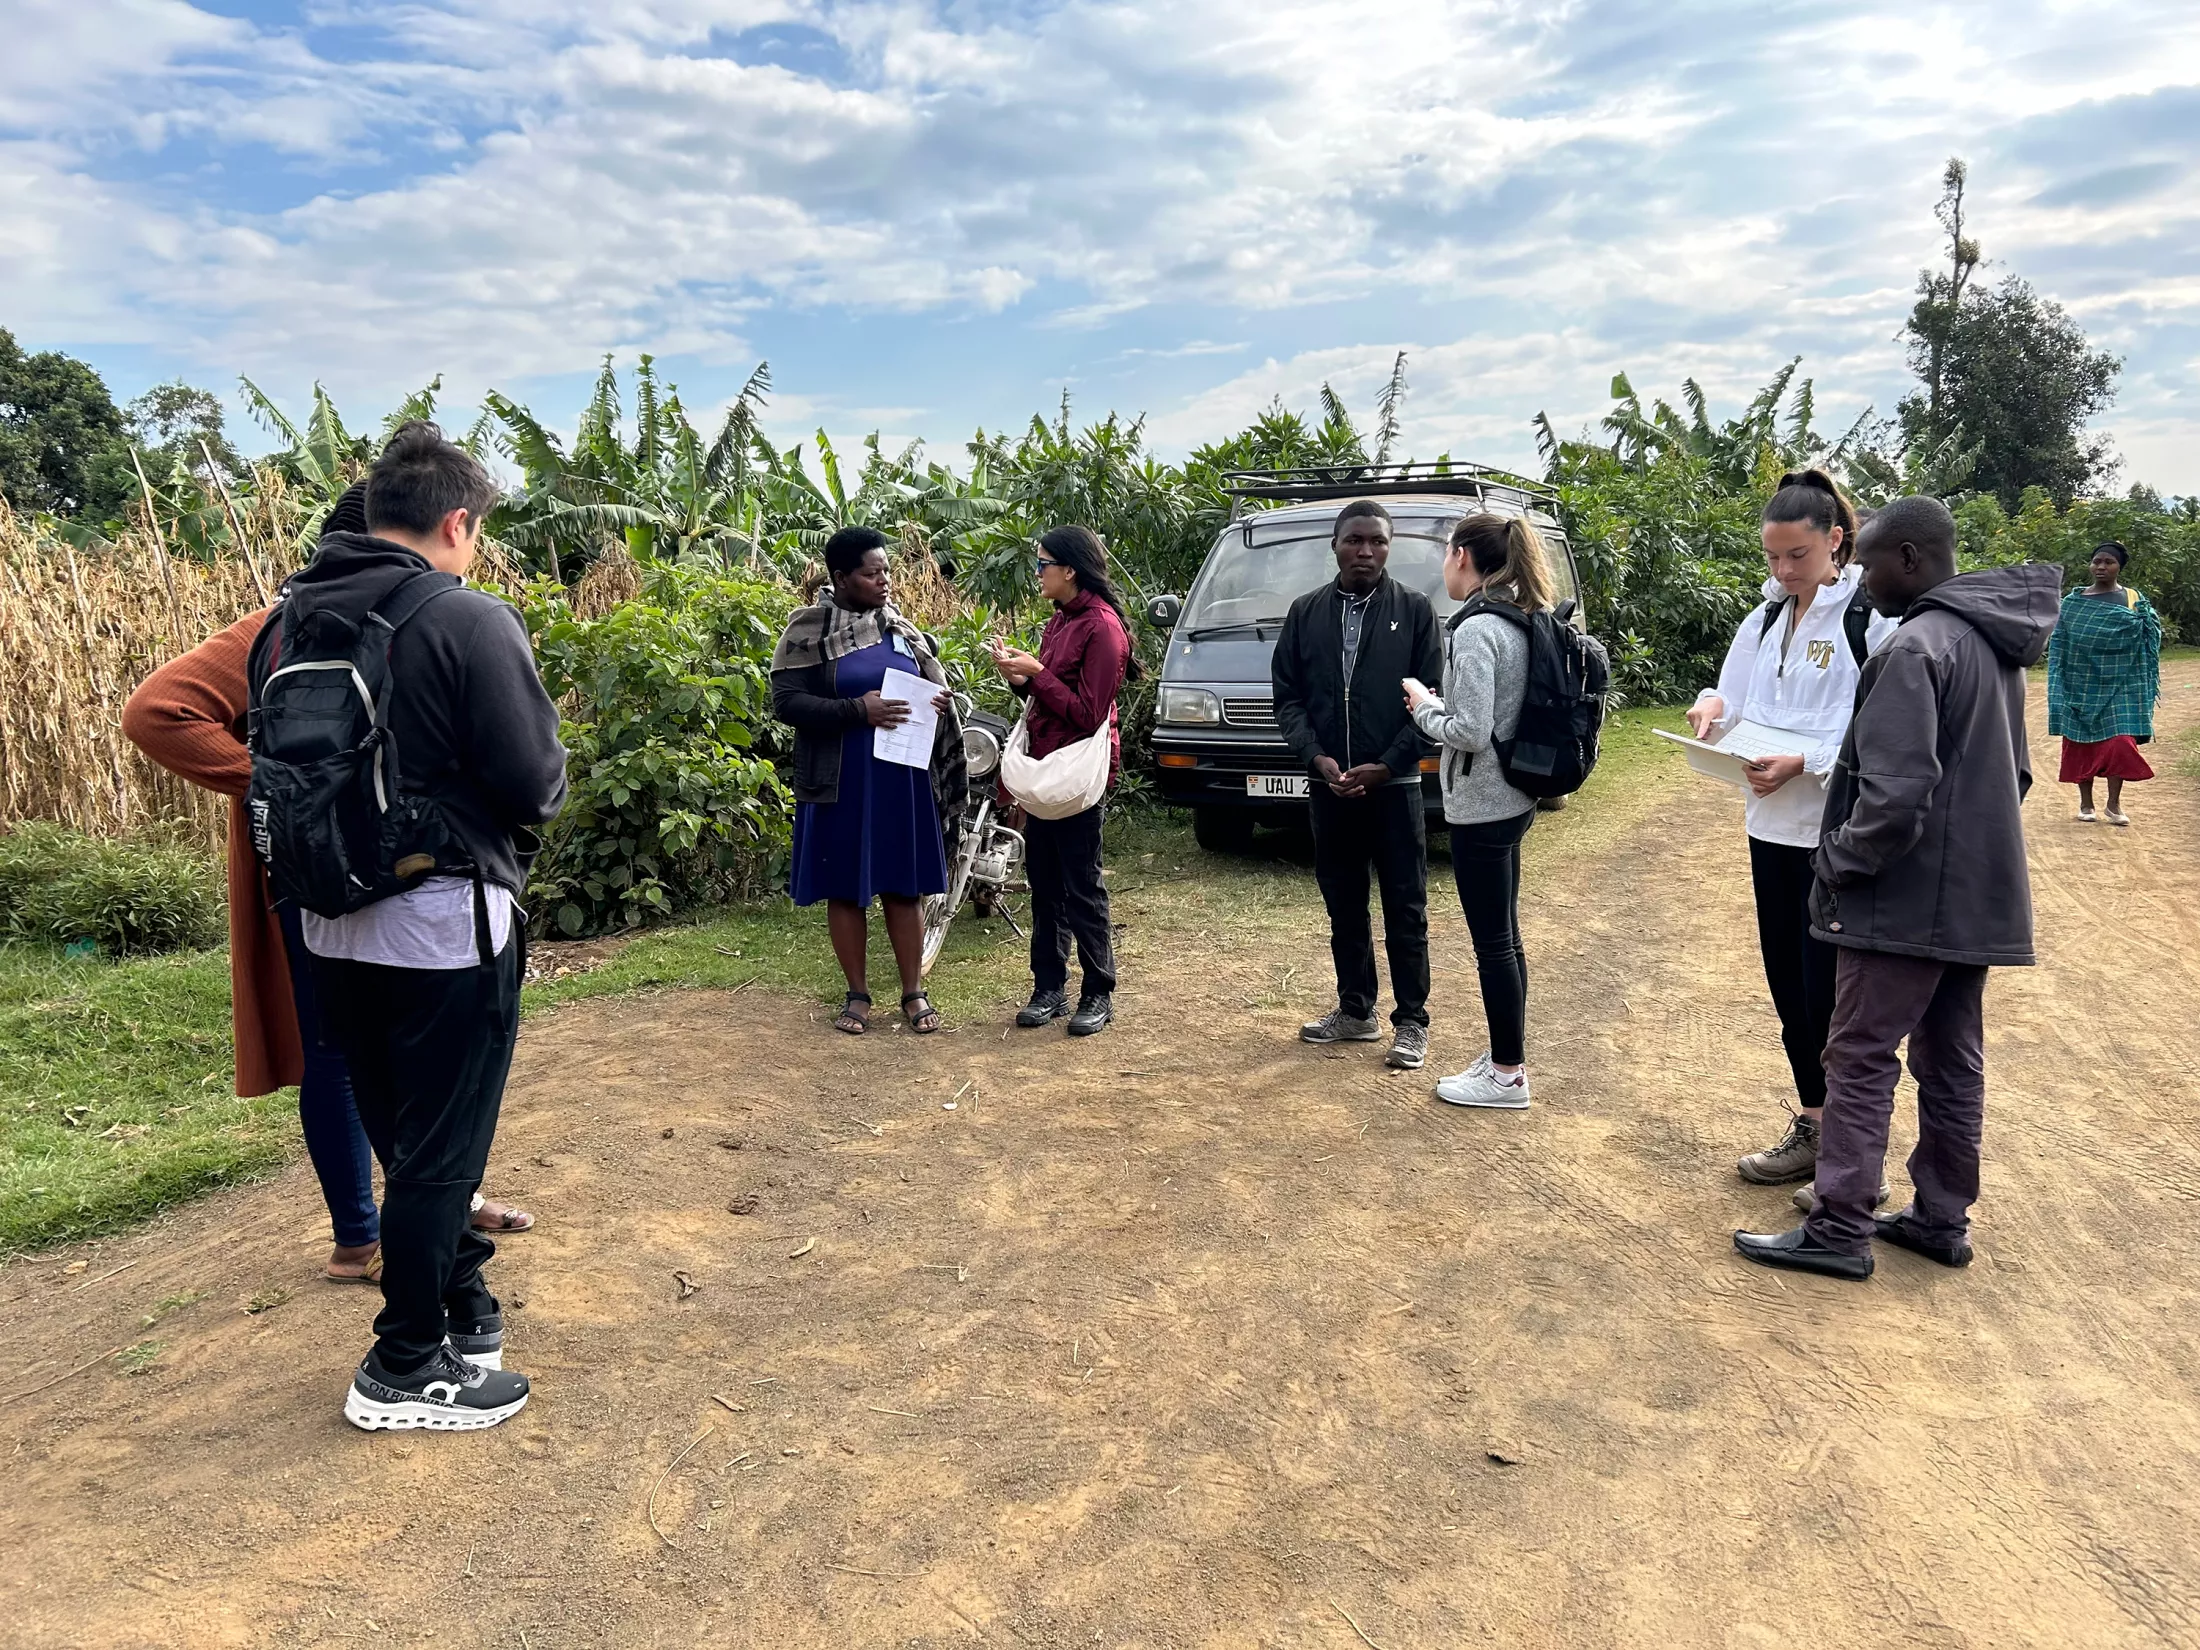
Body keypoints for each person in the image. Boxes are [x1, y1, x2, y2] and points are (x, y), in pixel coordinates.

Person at [121, 482, 534, 1291]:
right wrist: (284, 784)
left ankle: (437, 1207)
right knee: (342, 1056)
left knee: (392, 1055)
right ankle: (362, 1235)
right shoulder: (284, 631)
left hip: (382, 877)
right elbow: (155, 711)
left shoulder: (387, 628)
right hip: (316, 872)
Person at [273, 423, 567, 1429]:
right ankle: (402, 1366)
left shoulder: (290, 621)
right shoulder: (464, 618)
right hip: (445, 923)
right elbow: (532, 783)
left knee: (409, 1140)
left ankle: (461, 1308)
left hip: (330, 921)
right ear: (455, 523)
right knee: (443, 1152)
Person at [1734, 497, 2058, 1281]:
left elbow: (1895, 794)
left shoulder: (1913, 649)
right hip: (1975, 897)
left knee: (1859, 1054)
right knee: (1951, 1062)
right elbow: (2011, 774)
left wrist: (1836, 861)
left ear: (1909, 559)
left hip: (1904, 905)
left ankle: (1839, 1225)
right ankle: (1941, 1218)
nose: (1862, 580)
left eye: (1870, 562)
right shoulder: (1991, 645)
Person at [1685, 470, 1897, 1200]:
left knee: (1832, 993)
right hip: (1768, 825)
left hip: (1834, 830)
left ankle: (1852, 1155)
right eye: (1772, 558)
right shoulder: (1765, 618)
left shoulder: (1869, 618)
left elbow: (1878, 726)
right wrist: (1710, 711)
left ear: (1836, 541)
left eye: (1797, 556)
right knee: (1786, 985)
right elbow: (1732, 695)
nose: (1782, 571)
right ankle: (1814, 1125)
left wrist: (1805, 759)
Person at [771, 526, 967, 1034]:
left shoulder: (898, 628)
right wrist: (859, 709)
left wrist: (934, 699)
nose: (884, 580)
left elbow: (925, 682)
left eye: (886, 570)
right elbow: (786, 703)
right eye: (871, 572)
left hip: (899, 778)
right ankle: (857, 996)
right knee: (845, 888)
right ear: (840, 577)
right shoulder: (807, 630)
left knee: (904, 887)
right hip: (840, 781)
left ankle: (913, 994)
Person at [1272, 499, 1443, 1071]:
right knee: (1344, 903)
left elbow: (1431, 702)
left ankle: (1412, 1022)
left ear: (1389, 548)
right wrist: (1316, 757)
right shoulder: (1306, 613)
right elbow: (1289, 698)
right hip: (1330, 788)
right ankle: (1355, 1011)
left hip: (1392, 789)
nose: (1365, 551)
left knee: (1404, 905)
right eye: (1354, 540)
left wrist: (1388, 765)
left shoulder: (1415, 612)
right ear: (1335, 545)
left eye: (1376, 541)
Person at [1403, 513, 1554, 1107]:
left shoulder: (1473, 630)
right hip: (1513, 796)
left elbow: (1468, 731)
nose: (1444, 564)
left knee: (1493, 943)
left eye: (1446, 552)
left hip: (1481, 806)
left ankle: (1507, 1073)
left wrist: (1420, 704)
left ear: (1462, 556)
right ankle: (1505, 1058)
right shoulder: (1518, 617)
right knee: (1507, 938)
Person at [989, 525, 1134, 1037]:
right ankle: (1048, 987)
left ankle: (1098, 991)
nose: (1038, 574)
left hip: (1076, 773)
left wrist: (1039, 674)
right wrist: (1022, 678)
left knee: (1081, 884)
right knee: (1045, 881)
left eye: (1042, 564)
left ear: (1068, 569)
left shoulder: (1103, 628)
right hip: (1045, 771)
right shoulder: (1059, 623)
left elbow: (1089, 712)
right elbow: (1048, 705)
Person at [2048, 541, 2161, 827]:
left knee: (2120, 742)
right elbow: (2061, 643)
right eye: (2096, 561)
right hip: (2080, 682)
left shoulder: (2134, 599)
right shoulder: (2073, 604)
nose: (2101, 566)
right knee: (2080, 742)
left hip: (2122, 682)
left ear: (2119, 566)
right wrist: (2059, 684)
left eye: (2108, 562)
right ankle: (2086, 802)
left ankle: (2113, 803)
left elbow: (2150, 637)